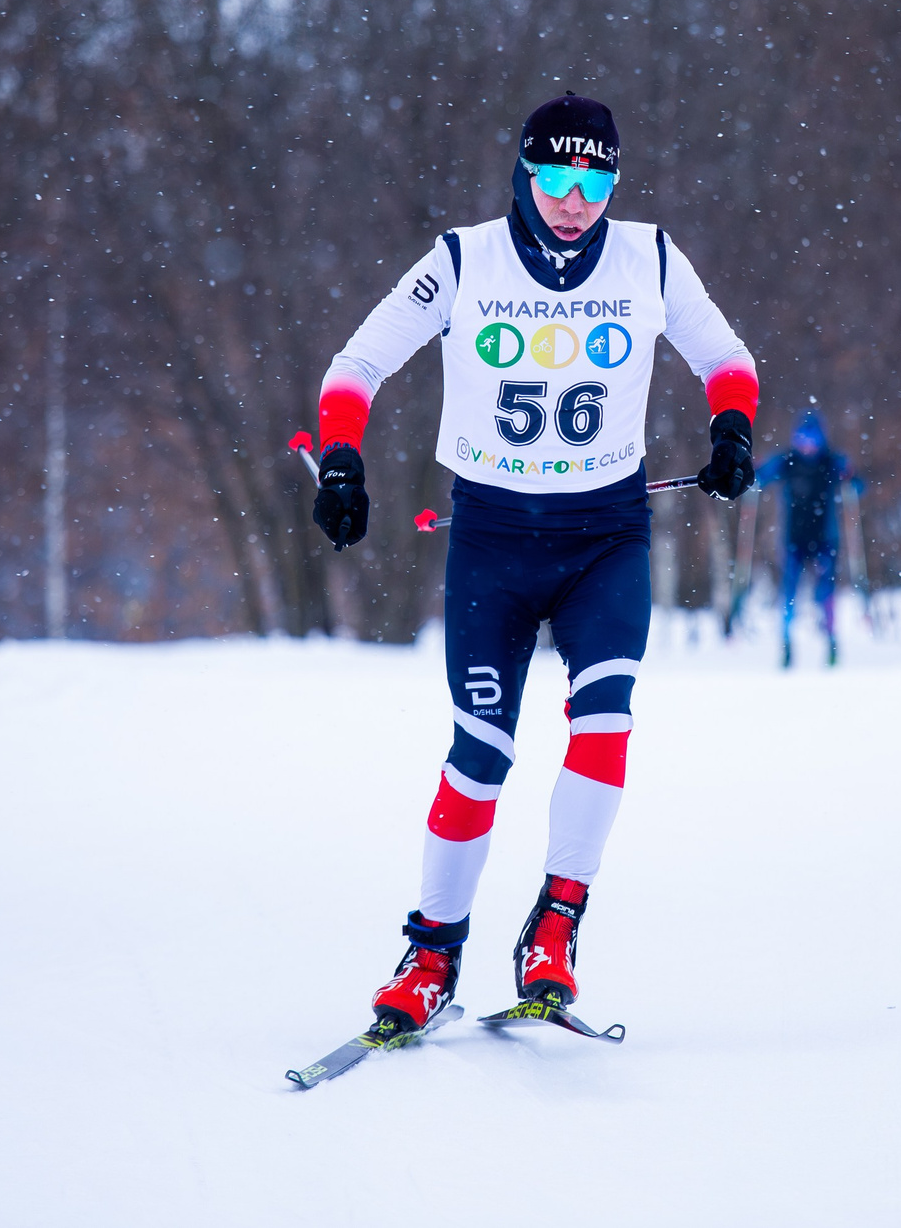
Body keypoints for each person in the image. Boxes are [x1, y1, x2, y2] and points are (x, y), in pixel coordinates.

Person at [313, 93, 758, 1034]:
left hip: (606, 538)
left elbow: (727, 355)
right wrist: (343, 458)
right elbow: (355, 365)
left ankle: (555, 926)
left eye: (595, 179)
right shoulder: (464, 260)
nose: (574, 198)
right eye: (555, 177)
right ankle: (431, 953)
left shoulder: (652, 259)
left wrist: (732, 427)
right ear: (524, 172)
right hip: (492, 543)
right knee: (481, 756)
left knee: (604, 724)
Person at [759, 410, 855, 668]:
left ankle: (832, 642)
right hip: (794, 539)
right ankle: (787, 643)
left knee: (826, 593)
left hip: (825, 538)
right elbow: (761, 477)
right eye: (803, 440)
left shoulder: (830, 462)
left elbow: (857, 484)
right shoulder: (788, 461)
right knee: (789, 593)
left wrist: (850, 476)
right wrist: (754, 473)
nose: (807, 447)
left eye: (812, 441)